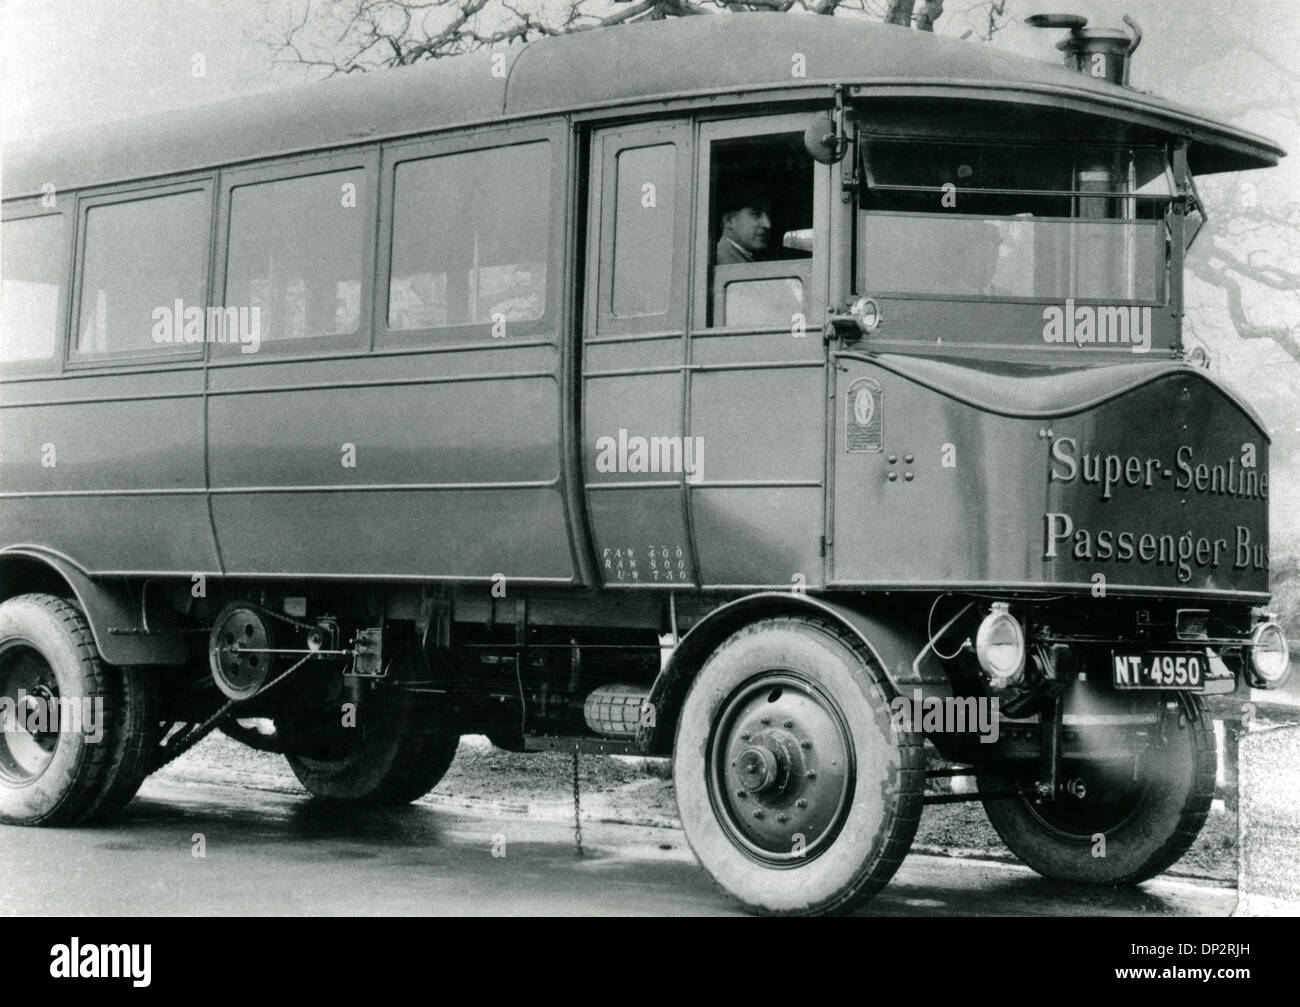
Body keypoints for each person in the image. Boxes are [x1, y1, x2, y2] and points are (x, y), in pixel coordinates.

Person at [715, 188, 773, 264]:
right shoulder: (719, 260)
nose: (768, 225)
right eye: (756, 214)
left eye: (769, 215)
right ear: (729, 221)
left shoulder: (748, 257)